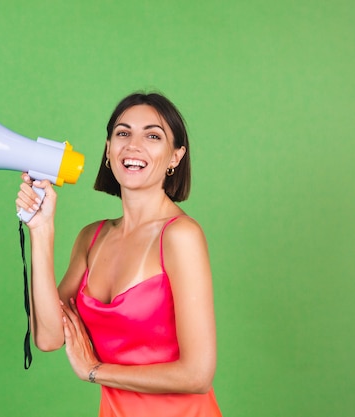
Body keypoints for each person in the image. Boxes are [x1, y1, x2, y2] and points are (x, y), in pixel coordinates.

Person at [15, 92, 222, 416]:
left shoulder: (181, 236)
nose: (133, 145)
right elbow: (48, 336)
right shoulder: (92, 237)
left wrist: (94, 370)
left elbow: (197, 374)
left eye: (153, 135)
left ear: (175, 157)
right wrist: (42, 230)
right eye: (122, 133)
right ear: (108, 151)